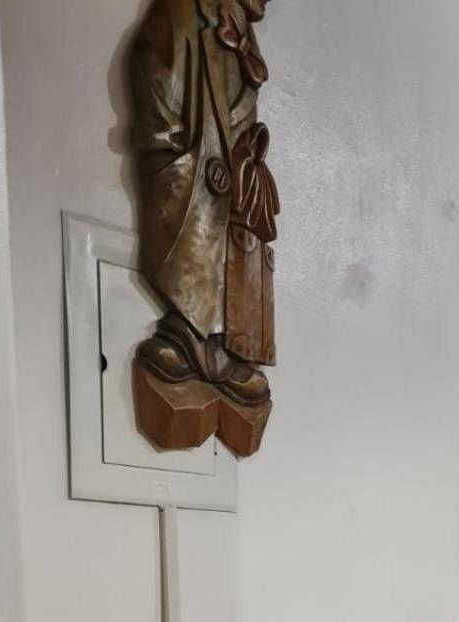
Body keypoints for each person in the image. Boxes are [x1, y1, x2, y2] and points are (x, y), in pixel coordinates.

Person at [130, 0, 278, 407]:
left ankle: (224, 346)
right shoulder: (183, 10)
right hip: (194, 166)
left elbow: (242, 103)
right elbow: (153, 69)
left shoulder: (240, 27)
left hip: (230, 173)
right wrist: (180, 148)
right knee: (197, 226)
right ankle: (188, 335)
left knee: (236, 242)